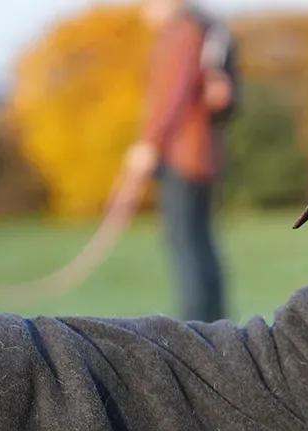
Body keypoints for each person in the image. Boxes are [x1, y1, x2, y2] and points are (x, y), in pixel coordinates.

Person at [122, 0, 236, 322]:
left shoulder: (181, 31)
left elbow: (172, 93)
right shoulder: (205, 27)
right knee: (199, 241)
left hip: (184, 155)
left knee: (185, 243)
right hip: (203, 154)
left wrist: (149, 144)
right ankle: (216, 327)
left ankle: (198, 329)